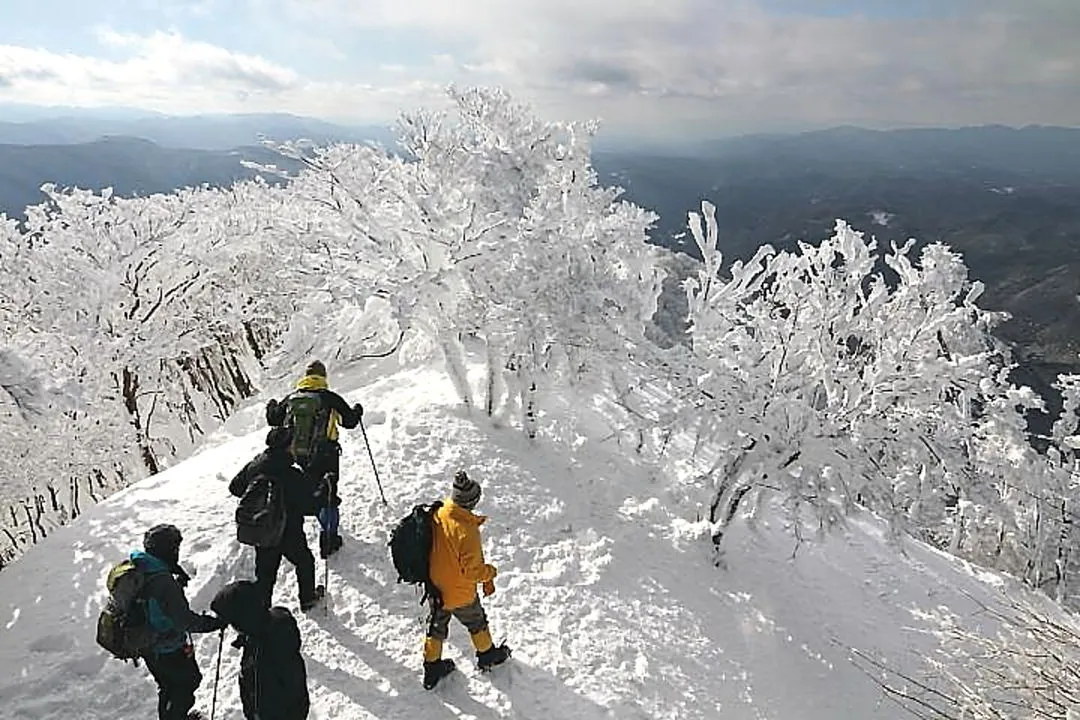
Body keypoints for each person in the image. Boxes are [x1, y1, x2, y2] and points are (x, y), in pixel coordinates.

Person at [421, 470, 511, 689]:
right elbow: (473, 572)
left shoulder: (440, 512)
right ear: (471, 502)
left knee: (436, 626)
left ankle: (431, 668)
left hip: (435, 584)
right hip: (459, 591)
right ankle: (487, 655)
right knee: (476, 622)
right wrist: (491, 572)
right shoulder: (466, 531)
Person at [266, 360, 363, 559]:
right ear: (323, 378)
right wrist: (357, 410)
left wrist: (271, 406)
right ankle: (328, 539)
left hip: (297, 456)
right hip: (325, 455)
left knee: (307, 491)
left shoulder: (292, 398)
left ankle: (303, 528)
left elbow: (273, 419)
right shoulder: (329, 398)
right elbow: (350, 422)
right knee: (327, 494)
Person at [133, 524, 228, 720]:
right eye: (175, 548)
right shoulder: (163, 582)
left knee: (168, 686)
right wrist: (213, 623)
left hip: (148, 644)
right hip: (167, 647)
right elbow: (184, 621)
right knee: (186, 685)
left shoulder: (143, 567)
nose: (177, 552)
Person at [229, 427, 321, 611]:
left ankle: (262, 614)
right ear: (287, 447)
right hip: (289, 531)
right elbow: (310, 506)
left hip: (262, 528)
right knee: (304, 561)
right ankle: (308, 598)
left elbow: (235, 487)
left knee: (265, 576)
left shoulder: (255, 465)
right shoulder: (292, 474)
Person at [210, 580, 310, 720]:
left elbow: (293, 690)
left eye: (234, 623)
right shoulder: (263, 629)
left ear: (244, 620)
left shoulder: (271, 648)